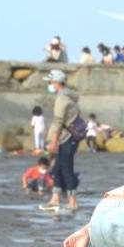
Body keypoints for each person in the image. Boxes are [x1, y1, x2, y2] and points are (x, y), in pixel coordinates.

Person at [43, 70, 81, 211]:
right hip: (66, 138)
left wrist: (53, 142)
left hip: (66, 139)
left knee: (66, 169)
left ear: (57, 82)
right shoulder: (66, 96)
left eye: (50, 82)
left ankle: (73, 202)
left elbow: (58, 121)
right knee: (56, 169)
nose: (49, 84)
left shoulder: (62, 99)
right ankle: (55, 199)